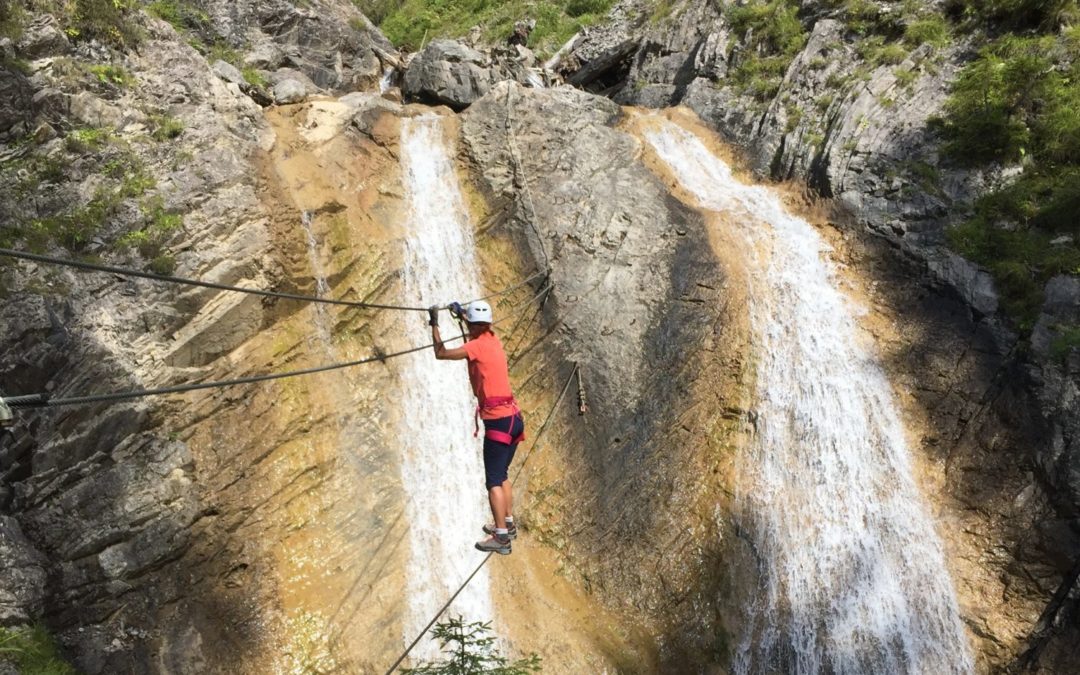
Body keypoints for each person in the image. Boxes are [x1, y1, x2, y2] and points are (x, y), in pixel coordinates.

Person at [429, 300, 525, 555]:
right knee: (502, 473)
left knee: (493, 480)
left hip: (497, 421)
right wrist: (461, 314)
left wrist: (435, 323)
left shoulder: (474, 346)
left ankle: (502, 538)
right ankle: (508, 523)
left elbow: (441, 353)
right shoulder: (493, 339)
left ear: (471, 325)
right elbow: (476, 332)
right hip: (514, 418)